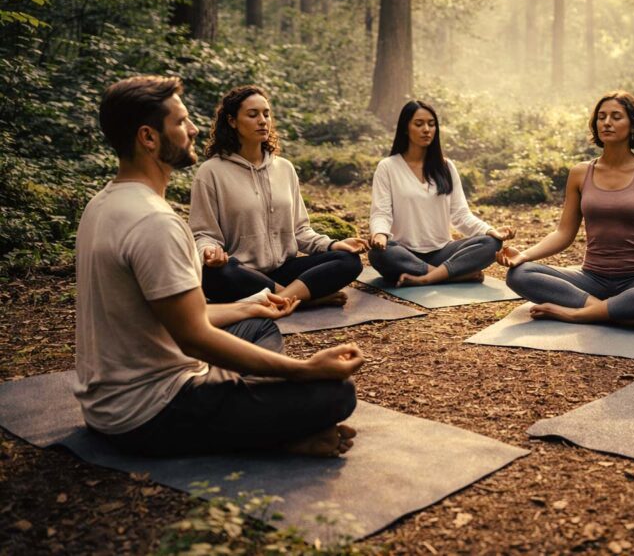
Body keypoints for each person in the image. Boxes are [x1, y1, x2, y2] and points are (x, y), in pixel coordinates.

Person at [74, 75, 364, 458]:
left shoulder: (101, 205)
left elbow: (175, 318)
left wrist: (249, 305)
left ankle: (256, 410)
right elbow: (193, 337)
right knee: (336, 394)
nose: (193, 128)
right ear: (148, 137)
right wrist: (304, 368)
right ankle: (280, 437)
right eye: (180, 122)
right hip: (150, 412)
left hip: (108, 404)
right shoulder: (155, 222)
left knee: (258, 323)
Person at [498, 91, 634, 329]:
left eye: (616, 117)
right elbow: (563, 234)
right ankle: (619, 313)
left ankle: (576, 314)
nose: (606, 122)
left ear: (633, 125)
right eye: (601, 117)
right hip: (590, 278)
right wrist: (524, 256)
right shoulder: (580, 173)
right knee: (519, 274)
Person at [190, 85, 366, 304]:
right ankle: (304, 299)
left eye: (266, 114)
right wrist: (209, 252)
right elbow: (203, 234)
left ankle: (280, 300)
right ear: (232, 121)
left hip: (284, 270)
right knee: (215, 274)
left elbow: (300, 230)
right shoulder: (211, 172)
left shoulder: (284, 168)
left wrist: (331, 245)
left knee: (348, 260)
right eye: (253, 115)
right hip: (241, 273)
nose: (263, 121)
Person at [368, 100, 514, 286]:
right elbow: (381, 213)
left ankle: (427, 278)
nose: (427, 129)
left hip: (443, 252)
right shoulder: (387, 167)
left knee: (491, 244)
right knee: (379, 253)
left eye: (431, 124)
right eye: (419, 124)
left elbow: (461, 215)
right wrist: (379, 233)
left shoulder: (445, 167)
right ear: (405, 128)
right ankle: (452, 275)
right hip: (405, 253)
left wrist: (490, 230)